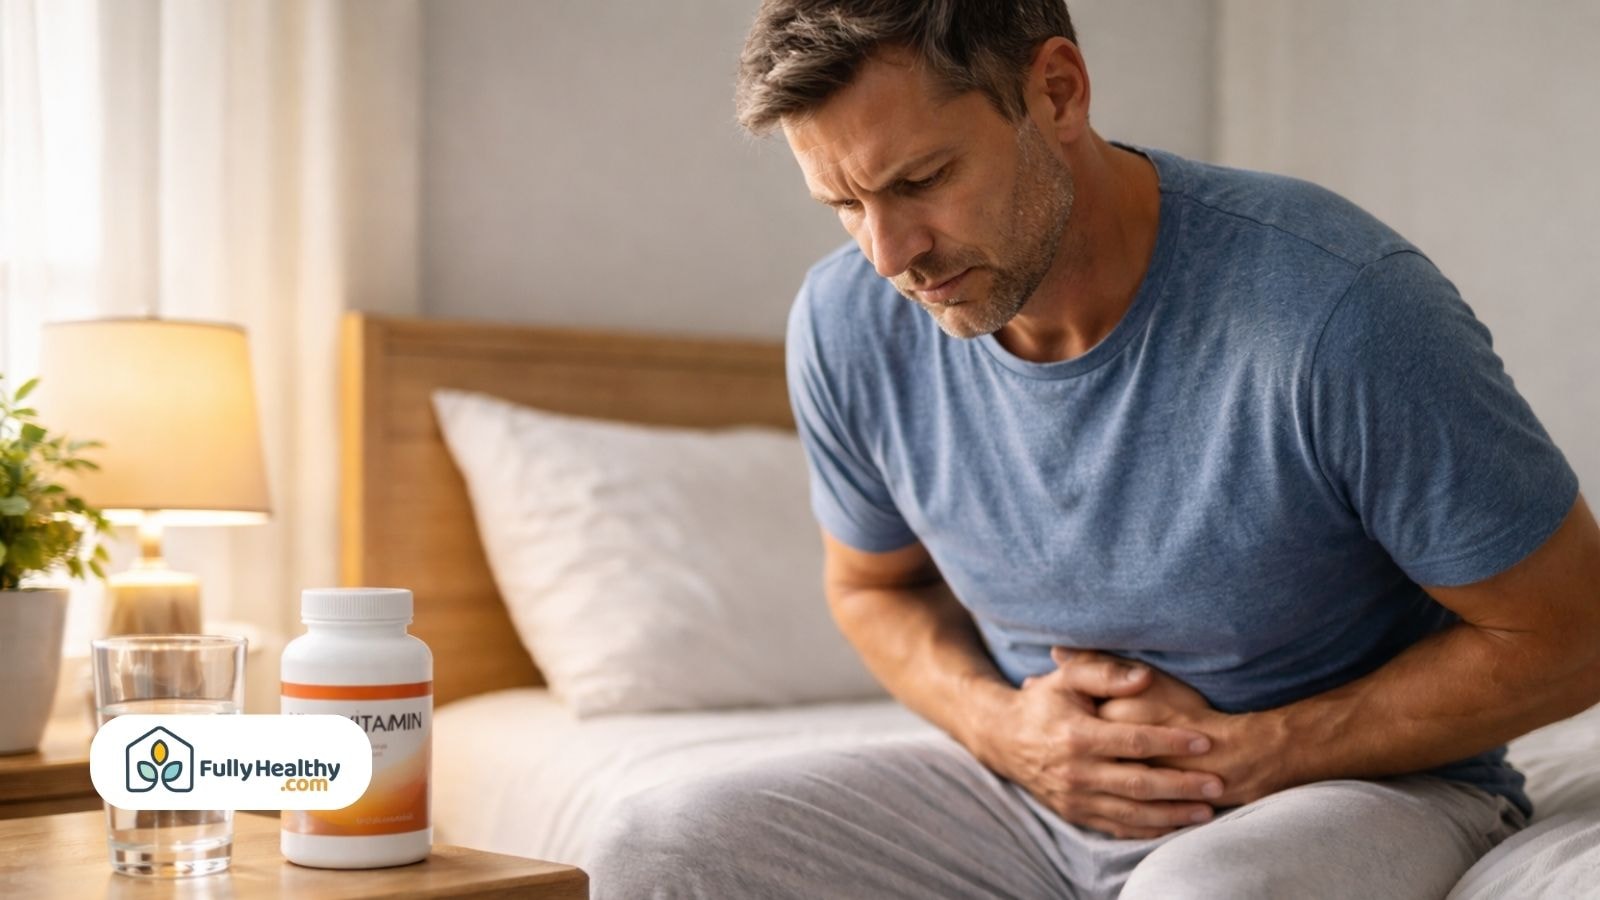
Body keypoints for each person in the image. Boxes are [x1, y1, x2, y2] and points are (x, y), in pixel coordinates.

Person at [588, 2, 1600, 897]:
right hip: (1032, 799)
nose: (889, 256)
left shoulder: (1337, 310)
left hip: (1356, 790)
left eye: (923, 180)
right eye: (845, 205)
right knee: (660, 844)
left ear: (1057, 92)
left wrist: (1244, 755)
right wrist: (1007, 732)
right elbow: (872, 591)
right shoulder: (847, 323)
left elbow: (1573, 633)